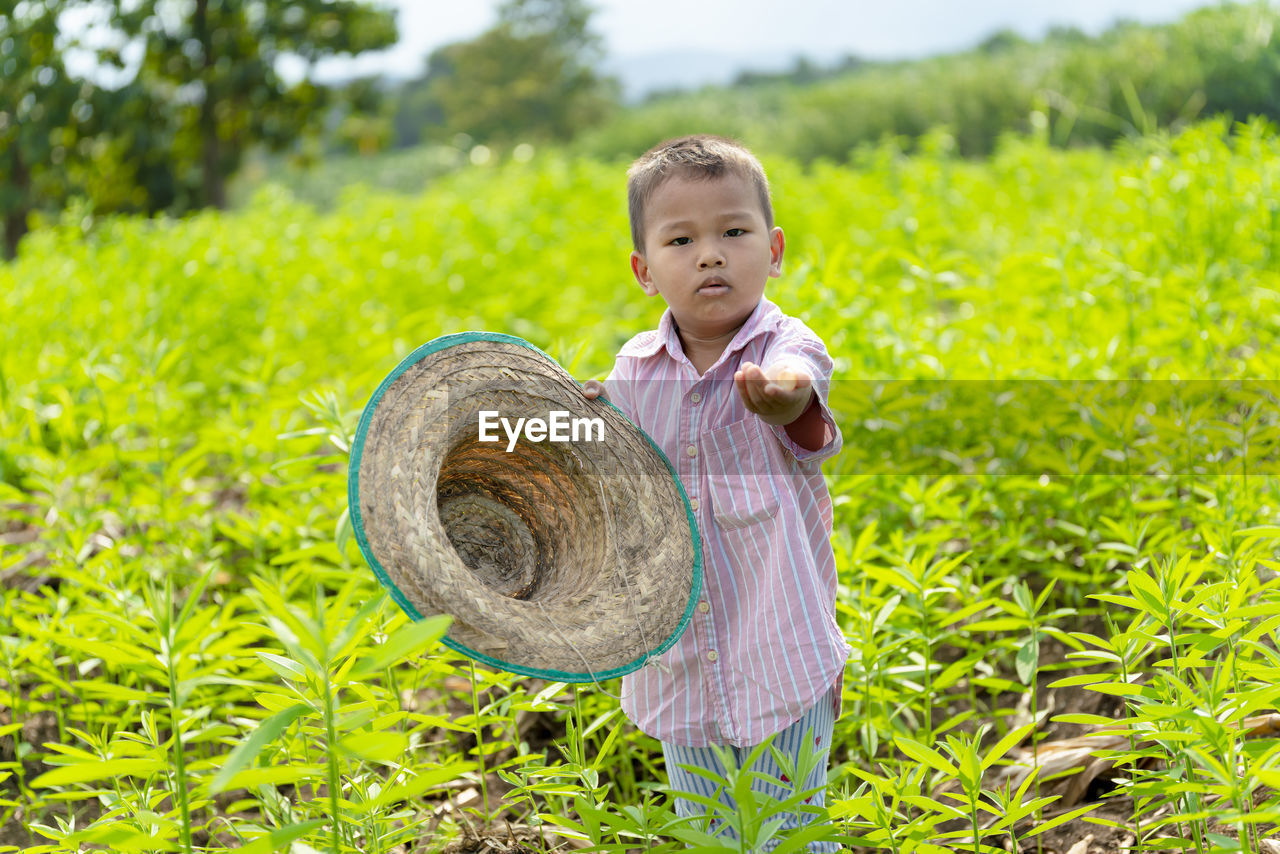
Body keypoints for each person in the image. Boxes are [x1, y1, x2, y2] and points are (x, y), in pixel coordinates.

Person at [581, 135, 849, 852]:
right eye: (682, 239)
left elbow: (802, 393)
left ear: (775, 248)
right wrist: (583, 422)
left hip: (778, 647)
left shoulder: (784, 348)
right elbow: (612, 469)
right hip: (682, 658)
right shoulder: (636, 368)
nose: (711, 253)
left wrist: (783, 402)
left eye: (734, 231)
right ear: (644, 270)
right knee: (709, 833)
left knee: (789, 832)